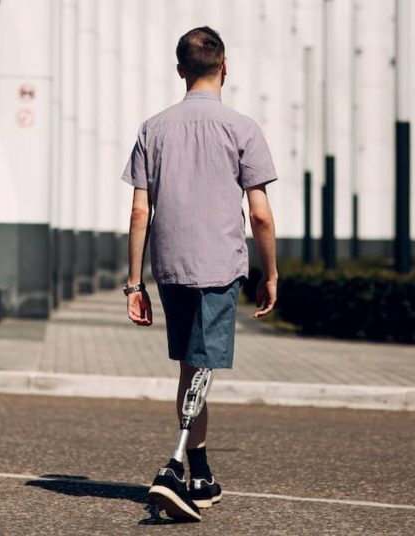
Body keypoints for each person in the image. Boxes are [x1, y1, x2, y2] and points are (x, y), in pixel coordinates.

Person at [120, 26, 278, 522]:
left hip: (170, 264)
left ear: (180, 71)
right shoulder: (243, 129)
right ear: (225, 67)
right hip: (217, 264)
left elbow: (139, 211)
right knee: (202, 365)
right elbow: (261, 215)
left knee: (192, 365)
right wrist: (270, 273)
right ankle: (174, 469)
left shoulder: (153, 128)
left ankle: (202, 475)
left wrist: (133, 283)